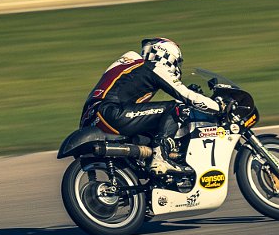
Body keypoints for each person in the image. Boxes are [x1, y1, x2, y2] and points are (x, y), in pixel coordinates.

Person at [78, 37, 222, 174]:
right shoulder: (154, 67)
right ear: (167, 55)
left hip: (93, 118)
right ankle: (161, 156)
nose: (177, 67)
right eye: (176, 61)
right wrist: (218, 107)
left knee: (152, 132)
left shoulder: (132, 68)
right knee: (177, 108)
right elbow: (186, 95)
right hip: (111, 113)